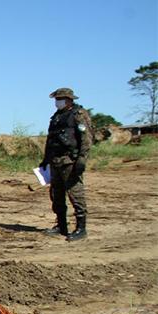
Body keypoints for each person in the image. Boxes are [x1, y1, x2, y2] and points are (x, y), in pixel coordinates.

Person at [39, 88, 92, 241]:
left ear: (69, 99)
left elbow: (86, 138)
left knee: (75, 194)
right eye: (56, 99)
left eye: (60, 98)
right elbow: (51, 140)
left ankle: (81, 228)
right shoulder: (56, 116)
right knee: (56, 195)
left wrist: (82, 159)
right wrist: (46, 158)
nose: (57, 102)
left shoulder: (78, 114)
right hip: (55, 161)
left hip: (70, 161)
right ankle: (61, 225)